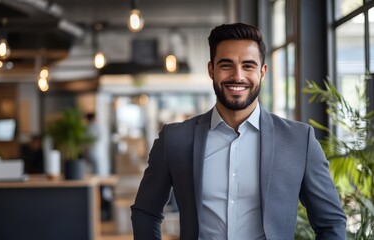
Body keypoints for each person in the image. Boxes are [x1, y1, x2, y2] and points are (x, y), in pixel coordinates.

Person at [131, 23, 346, 240]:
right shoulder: (175, 139)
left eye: (248, 66)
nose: (237, 76)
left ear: (262, 72)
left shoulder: (299, 140)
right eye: (226, 65)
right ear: (211, 70)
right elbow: (145, 212)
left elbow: (331, 223)